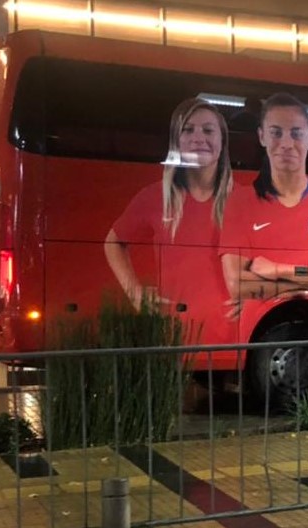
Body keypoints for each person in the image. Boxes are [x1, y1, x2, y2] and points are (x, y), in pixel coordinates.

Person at [104, 97, 234, 344]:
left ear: (222, 141)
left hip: (233, 336)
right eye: (187, 130)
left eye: (208, 130)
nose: (198, 137)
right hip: (173, 336)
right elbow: (114, 242)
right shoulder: (154, 197)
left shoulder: (245, 200)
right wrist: (136, 294)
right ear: (177, 141)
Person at [218, 93, 308, 319]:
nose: (286, 143)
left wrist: (276, 271)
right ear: (262, 137)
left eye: (296, 133)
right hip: (263, 337)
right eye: (276, 133)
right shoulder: (239, 202)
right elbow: (238, 284)